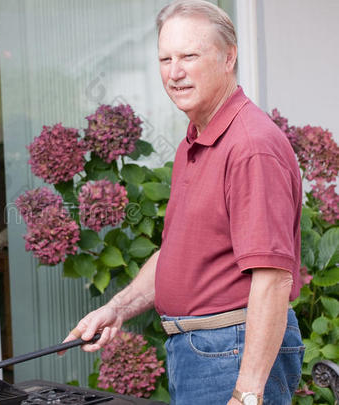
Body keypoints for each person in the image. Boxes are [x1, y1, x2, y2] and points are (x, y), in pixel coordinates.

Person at [64, 1, 304, 404]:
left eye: (189, 56)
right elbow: (178, 251)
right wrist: (118, 308)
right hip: (201, 351)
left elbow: (273, 278)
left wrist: (246, 395)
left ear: (229, 57)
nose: (174, 73)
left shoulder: (250, 147)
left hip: (230, 352)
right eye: (165, 58)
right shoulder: (196, 141)